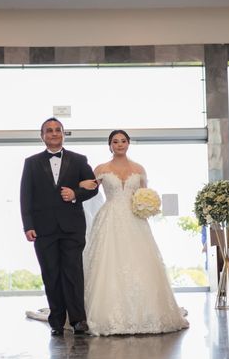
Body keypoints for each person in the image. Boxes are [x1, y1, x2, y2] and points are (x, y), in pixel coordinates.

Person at [78, 130, 189, 336]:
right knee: (108, 261)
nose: (119, 144)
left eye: (123, 141)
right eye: (115, 141)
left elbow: (144, 193)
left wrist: (147, 204)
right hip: (109, 218)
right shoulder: (101, 168)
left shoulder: (138, 168)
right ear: (109, 145)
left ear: (128, 144)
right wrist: (81, 185)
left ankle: (145, 313)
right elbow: (91, 189)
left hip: (134, 218)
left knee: (139, 261)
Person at [20, 117, 98, 336]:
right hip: (43, 229)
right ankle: (56, 320)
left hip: (72, 226)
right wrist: (28, 225)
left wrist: (76, 194)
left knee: (73, 273)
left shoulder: (79, 160)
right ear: (42, 135)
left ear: (63, 134)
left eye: (57, 130)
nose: (54, 133)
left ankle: (78, 320)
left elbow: (93, 187)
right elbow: (25, 196)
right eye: (49, 130)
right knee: (51, 274)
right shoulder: (31, 162)